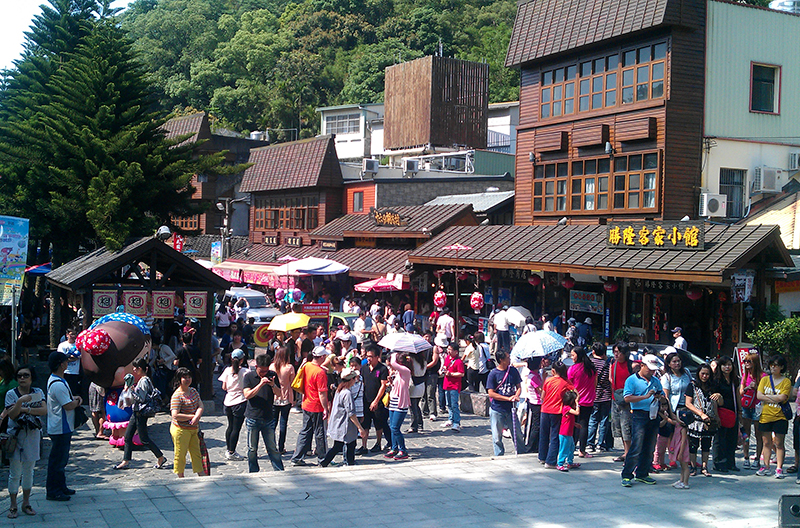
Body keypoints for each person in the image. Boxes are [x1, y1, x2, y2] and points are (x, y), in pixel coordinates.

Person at [5, 365, 46, 518]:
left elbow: (44, 410)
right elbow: (12, 415)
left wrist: (25, 409)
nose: (22, 378)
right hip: (16, 437)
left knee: (29, 471)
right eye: (19, 376)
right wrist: (20, 403)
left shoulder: (38, 392)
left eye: (25, 375)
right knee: (15, 473)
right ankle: (13, 505)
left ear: (31, 378)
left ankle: (26, 503)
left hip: (33, 435)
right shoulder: (11, 394)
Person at [115, 358, 167, 470]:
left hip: (141, 413)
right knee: (128, 437)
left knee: (144, 439)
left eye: (136, 367)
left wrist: (130, 390)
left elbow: (141, 398)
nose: (134, 369)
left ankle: (160, 456)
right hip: (137, 412)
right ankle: (126, 461)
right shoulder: (143, 380)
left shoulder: (143, 381)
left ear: (141, 369)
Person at [620, 354, 664, 487]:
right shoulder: (632, 380)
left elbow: (662, 395)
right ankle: (627, 474)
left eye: (654, 369)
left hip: (653, 414)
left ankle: (643, 473)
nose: (652, 371)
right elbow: (627, 398)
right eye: (649, 368)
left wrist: (659, 397)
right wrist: (644, 397)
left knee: (649, 446)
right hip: (639, 415)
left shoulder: (656, 380)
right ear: (642, 366)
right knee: (636, 446)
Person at [45, 351, 82, 501]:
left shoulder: (58, 380)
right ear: (61, 364)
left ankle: (61, 486)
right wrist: (78, 401)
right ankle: (54, 490)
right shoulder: (58, 384)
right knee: (58, 461)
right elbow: (67, 405)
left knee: (62, 459)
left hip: (63, 426)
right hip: (60, 427)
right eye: (66, 362)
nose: (68, 363)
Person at [243, 353, 284, 472]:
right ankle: (253, 471)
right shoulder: (249, 377)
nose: (264, 373)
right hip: (253, 417)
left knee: (272, 447)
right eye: (262, 371)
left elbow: (279, 394)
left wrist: (272, 385)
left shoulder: (272, 375)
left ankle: (279, 470)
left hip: (268, 417)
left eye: (266, 371)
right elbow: (247, 395)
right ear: (256, 367)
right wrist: (260, 384)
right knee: (252, 448)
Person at [290, 346, 330, 466]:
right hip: (317, 405)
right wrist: (326, 409)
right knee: (320, 433)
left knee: (305, 431)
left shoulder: (307, 365)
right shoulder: (320, 373)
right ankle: (323, 459)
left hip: (306, 403)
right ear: (322, 357)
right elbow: (322, 393)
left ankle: (296, 458)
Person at [321, 368, 368, 467]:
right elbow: (351, 413)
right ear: (351, 380)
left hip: (339, 423)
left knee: (342, 445)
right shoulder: (347, 393)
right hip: (344, 425)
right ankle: (329, 462)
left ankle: (327, 462)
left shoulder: (339, 390)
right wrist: (360, 427)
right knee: (343, 445)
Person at [756, 354, 791, 478]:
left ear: (781, 367)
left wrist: (768, 398)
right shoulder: (765, 379)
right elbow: (759, 395)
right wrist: (774, 398)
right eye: (771, 365)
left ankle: (779, 468)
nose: (773, 367)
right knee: (766, 442)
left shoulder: (786, 381)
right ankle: (766, 466)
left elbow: (783, 397)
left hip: (780, 416)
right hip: (765, 415)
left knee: (779, 443)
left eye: (776, 365)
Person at [169, 367, 205, 478]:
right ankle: (180, 476)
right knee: (180, 454)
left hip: (193, 428)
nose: (188, 379)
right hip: (181, 430)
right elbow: (175, 415)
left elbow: (200, 405)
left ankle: (201, 474)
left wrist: (197, 417)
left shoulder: (193, 391)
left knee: (196, 453)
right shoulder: (177, 396)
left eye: (189, 377)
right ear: (179, 379)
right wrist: (191, 417)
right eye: (185, 377)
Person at [486, 349, 523, 456]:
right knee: (497, 435)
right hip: (497, 409)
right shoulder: (493, 374)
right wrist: (507, 398)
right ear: (501, 360)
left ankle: (521, 452)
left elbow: (519, 386)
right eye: (507, 357)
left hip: (511, 408)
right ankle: (499, 454)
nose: (510, 359)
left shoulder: (513, 371)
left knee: (517, 433)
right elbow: (491, 393)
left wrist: (516, 395)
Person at [685, 363, 719, 477]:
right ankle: (693, 466)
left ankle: (704, 466)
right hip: (696, 419)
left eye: (707, 374)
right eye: (703, 373)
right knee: (693, 444)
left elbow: (717, 403)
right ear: (698, 374)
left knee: (706, 444)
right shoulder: (692, 386)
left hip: (709, 419)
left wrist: (719, 397)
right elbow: (688, 403)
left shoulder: (712, 386)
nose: (705, 376)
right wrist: (700, 413)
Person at [538, 359, 573, 468]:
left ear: (553, 371)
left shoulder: (548, 380)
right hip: (557, 410)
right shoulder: (566, 382)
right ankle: (551, 461)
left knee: (543, 434)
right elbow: (575, 393)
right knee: (554, 436)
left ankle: (542, 457)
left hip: (544, 409)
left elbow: (542, 396)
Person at [219, 349, 249, 461]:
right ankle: (232, 451)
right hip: (240, 400)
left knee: (230, 426)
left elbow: (224, 387)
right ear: (242, 359)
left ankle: (229, 449)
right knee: (236, 428)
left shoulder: (227, 370)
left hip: (228, 401)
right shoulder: (246, 371)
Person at [567, 346, 597, 458]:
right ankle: (582, 450)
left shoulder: (573, 369)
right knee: (584, 424)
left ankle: (572, 447)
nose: (571, 357)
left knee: (573, 424)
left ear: (578, 355)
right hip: (589, 399)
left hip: (575, 400)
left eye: (573, 355)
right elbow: (595, 384)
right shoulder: (591, 368)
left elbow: (569, 385)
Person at [712, 356, 740, 473]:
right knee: (720, 439)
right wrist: (716, 415)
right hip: (721, 411)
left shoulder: (734, 379)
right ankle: (719, 463)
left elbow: (738, 395)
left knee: (732, 438)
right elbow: (713, 398)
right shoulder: (716, 380)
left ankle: (730, 462)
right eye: (724, 365)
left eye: (729, 364)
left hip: (732, 411)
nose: (727, 367)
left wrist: (740, 410)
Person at [360, 345, 390, 453]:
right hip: (365, 399)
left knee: (378, 423)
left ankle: (378, 443)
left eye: (371, 356)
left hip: (378, 401)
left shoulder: (382, 369)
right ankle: (363, 445)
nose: (369, 358)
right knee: (365, 424)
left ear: (377, 357)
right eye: (367, 356)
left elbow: (383, 385)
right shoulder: (364, 368)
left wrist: (376, 401)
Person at [385, 352, 412, 460]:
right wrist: (391, 382)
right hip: (393, 401)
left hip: (401, 403)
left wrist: (394, 353)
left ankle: (403, 450)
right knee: (392, 426)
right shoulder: (397, 372)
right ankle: (394, 448)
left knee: (395, 427)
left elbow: (392, 362)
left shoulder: (406, 371)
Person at [610, 342, 634, 463]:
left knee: (626, 427)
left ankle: (628, 453)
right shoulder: (613, 364)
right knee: (618, 425)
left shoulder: (632, 366)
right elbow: (611, 379)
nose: (616, 354)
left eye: (618, 352)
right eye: (615, 351)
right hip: (615, 399)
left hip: (627, 400)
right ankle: (626, 451)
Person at [586, 342, 612, 453]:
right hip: (606, 394)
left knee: (593, 419)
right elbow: (610, 379)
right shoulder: (608, 363)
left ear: (593, 351)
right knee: (604, 420)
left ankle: (590, 443)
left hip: (593, 394)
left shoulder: (589, 363)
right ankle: (600, 444)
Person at [740, 352, 764, 470]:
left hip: (758, 407)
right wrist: (747, 388)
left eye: (749, 361)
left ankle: (757, 459)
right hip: (746, 406)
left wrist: (757, 387)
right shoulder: (745, 376)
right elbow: (740, 392)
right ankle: (746, 457)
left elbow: (765, 392)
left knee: (758, 434)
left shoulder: (762, 376)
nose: (746, 364)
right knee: (746, 434)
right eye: (745, 361)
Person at [270, 346, 295, 454]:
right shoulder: (289, 367)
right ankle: (281, 447)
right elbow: (293, 383)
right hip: (286, 397)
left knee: (273, 423)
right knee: (283, 423)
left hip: (274, 397)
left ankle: (271, 445)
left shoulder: (272, 366)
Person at [521, 356, 543, 453]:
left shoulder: (534, 374)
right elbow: (541, 391)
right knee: (536, 425)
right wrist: (545, 378)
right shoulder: (534, 377)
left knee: (536, 425)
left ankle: (535, 445)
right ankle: (531, 446)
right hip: (536, 403)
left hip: (534, 401)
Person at [441, 342, 465, 432]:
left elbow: (461, 373)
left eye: (450, 350)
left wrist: (451, 374)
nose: (448, 351)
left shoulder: (458, 362)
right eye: (448, 349)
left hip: (454, 385)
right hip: (447, 384)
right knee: (449, 404)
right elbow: (445, 366)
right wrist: (442, 370)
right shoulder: (447, 358)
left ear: (456, 352)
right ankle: (450, 419)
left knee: (454, 404)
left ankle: (456, 422)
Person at [557, 390, 580, 471]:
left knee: (571, 447)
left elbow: (568, 420)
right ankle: (560, 463)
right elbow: (577, 413)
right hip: (564, 433)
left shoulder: (568, 409)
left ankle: (570, 462)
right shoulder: (567, 408)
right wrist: (578, 404)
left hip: (569, 433)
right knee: (564, 448)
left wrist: (575, 424)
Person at [57, 328, 81, 399]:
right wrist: (70, 358)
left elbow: (80, 356)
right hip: (65, 371)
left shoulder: (78, 345)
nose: (73, 336)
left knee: (72, 392)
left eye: (74, 334)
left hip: (75, 372)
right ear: (67, 335)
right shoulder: (62, 345)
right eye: (71, 334)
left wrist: (72, 357)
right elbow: (62, 357)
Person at [408, 352, 426, 433]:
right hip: (421, 384)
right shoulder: (423, 361)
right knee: (416, 406)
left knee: (413, 407)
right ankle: (419, 424)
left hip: (413, 384)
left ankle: (414, 425)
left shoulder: (411, 361)